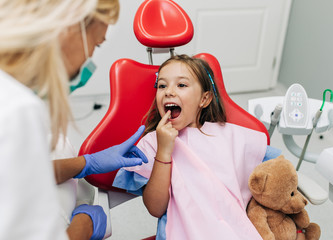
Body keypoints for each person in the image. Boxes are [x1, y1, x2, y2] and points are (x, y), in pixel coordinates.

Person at [113, 54, 305, 239]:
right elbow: (155, 208)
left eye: (181, 85)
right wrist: (164, 151)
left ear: (204, 99)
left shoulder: (229, 135)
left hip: (234, 230)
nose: (169, 91)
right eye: (162, 85)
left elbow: (278, 171)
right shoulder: (153, 143)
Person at [0, 0, 147, 239]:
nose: (88, 58)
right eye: (95, 45)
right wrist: (85, 224)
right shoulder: (18, 111)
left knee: (61, 147)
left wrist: (88, 163)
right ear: (69, 27)